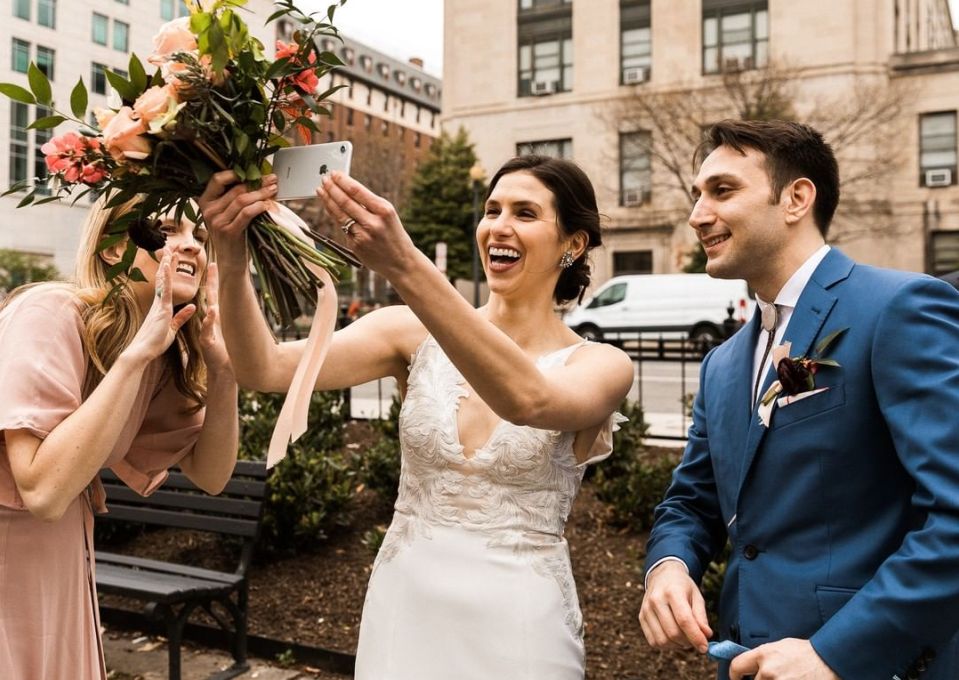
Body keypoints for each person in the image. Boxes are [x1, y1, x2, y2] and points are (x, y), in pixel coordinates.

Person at [201, 156, 634, 679]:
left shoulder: (602, 366)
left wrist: (405, 263)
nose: (499, 226)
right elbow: (264, 367)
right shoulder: (405, 332)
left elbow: (529, 401)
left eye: (525, 213)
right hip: (406, 608)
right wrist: (229, 252)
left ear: (574, 243)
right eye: (492, 209)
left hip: (522, 622)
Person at [639, 119, 959, 680]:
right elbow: (692, 502)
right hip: (746, 662)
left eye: (722, 190)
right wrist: (668, 566)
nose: (697, 215)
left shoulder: (899, 309)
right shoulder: (722, 363)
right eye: (696, 196)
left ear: (796, 198)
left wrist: (836, 653)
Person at [0, 195, 239, 680]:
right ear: (114, 249)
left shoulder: (154, 349)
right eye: (171, 230)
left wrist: (224, 372)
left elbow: (212, 474)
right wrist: (132, 362)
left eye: (200, 237)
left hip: (61, 559)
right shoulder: (50, 313)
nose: (192, 247)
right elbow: (43, 491)